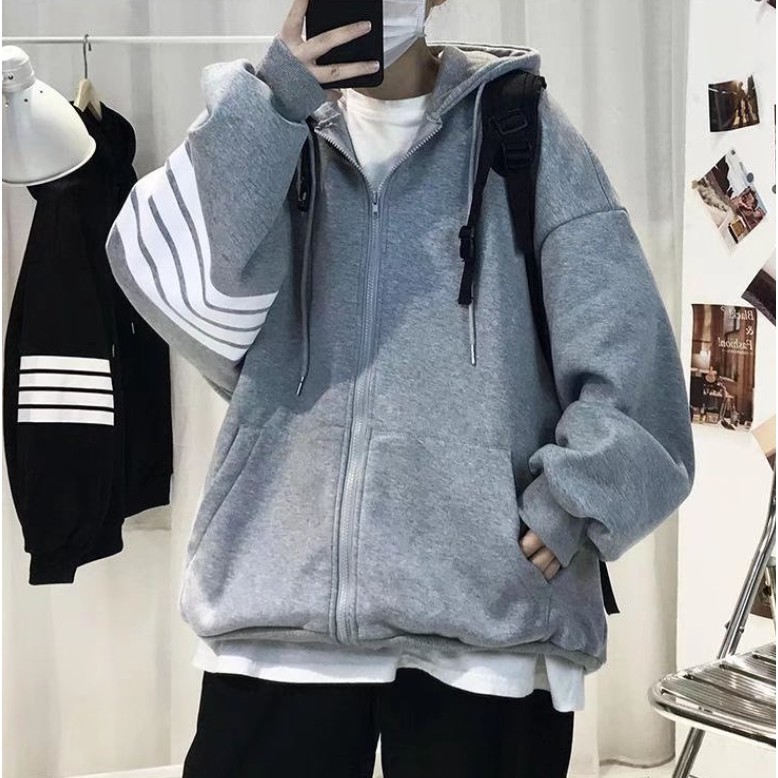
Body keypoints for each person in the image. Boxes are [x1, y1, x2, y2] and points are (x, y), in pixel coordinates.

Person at [105, 0, 696, 775]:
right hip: (281, 613)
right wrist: (277, 99)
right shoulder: (275, 130)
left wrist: (569, 505)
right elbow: (181, 280)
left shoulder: (523, 132)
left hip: (486, 622)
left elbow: (636, 369)